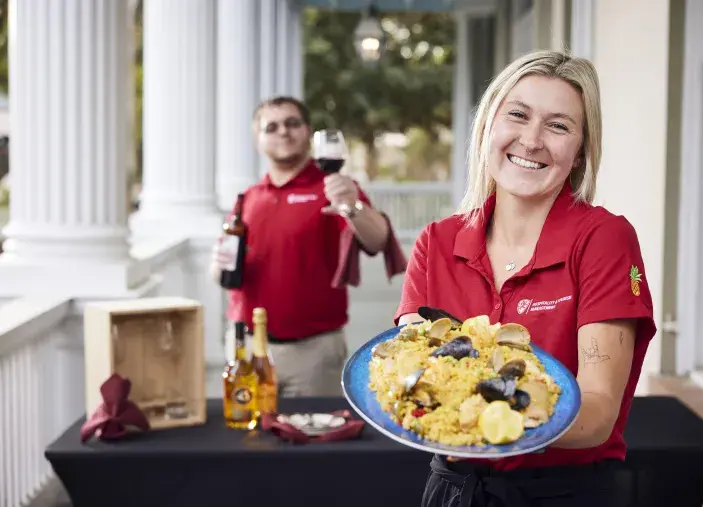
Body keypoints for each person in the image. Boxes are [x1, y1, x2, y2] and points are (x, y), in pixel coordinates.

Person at [395, 50, 655, 506]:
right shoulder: (436, 242)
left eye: (558, 126)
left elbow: (595, 413)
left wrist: (474, 417)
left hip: (564, 493)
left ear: (579, 152)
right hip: (454, 490)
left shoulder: (605, 239)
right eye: (517, 115)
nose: (532, 140)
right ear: (488, 128)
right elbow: (409, 372)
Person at [211, 96, 400, 398]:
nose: (283, 131)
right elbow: (222, 273)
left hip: (313, 353)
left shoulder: (334, 186)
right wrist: (218, 263)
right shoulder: (247, 198)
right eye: (271, 127)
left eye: (292, 123)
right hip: (247, 348)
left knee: (313, 441)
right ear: (257, 140)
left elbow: (378, 241)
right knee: (247, 439)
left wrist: (352, 205)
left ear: (308, 131)